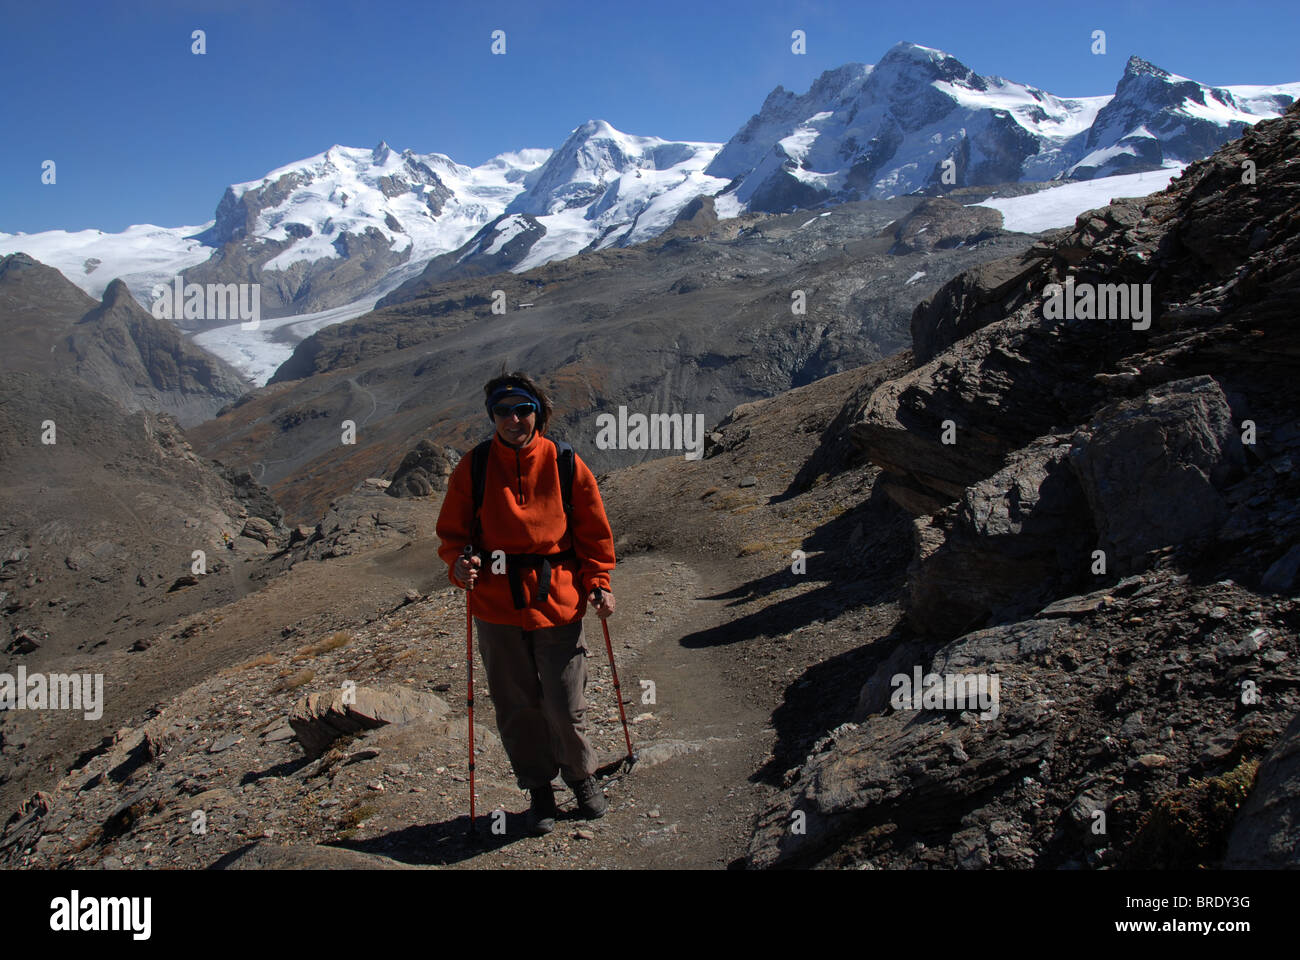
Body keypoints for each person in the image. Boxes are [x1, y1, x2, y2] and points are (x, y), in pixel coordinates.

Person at [436, 371, 617, 835]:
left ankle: (581, 777)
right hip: (496, 604)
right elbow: (453, 536)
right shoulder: (473, 468)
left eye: (523, 410)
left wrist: (598, 581)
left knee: (562, 701)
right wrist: (459, 566)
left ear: (537, 412)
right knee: (515, 703)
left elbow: (592, 531)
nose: (514, 419)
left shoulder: (564, 463)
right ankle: (539, 790)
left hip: (557, 597)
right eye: (503, 411)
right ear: (492, 416)